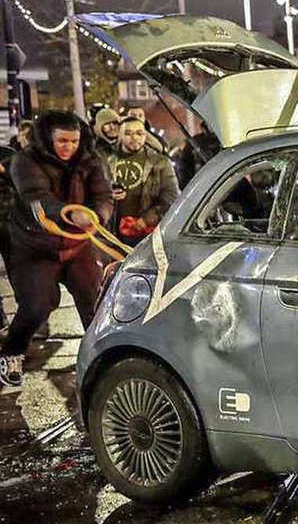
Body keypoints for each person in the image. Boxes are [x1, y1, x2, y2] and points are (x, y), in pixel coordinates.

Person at [0, 110, 113, 387]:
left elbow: (103, 195)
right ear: (48, 139)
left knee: (95, 303)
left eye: (74, 141)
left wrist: (99, 214)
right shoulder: (25, 161)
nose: (69, 147)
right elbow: (36, 197)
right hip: (35, 248)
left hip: (78, 246)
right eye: (63, 141)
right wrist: (69, 213)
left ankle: (101, 359)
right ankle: (12, 352)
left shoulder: (90, 159)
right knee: (36, 306)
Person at [107, 117, 180, 245]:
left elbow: (171, 197)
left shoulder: (160, 162)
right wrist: (108, 194)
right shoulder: (106, 159)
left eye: (139, 133)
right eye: (128, 133)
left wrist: (146, 220)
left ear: (145, 136)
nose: (134, 137)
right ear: (119, 135)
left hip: (147, 234)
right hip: (112, 233)